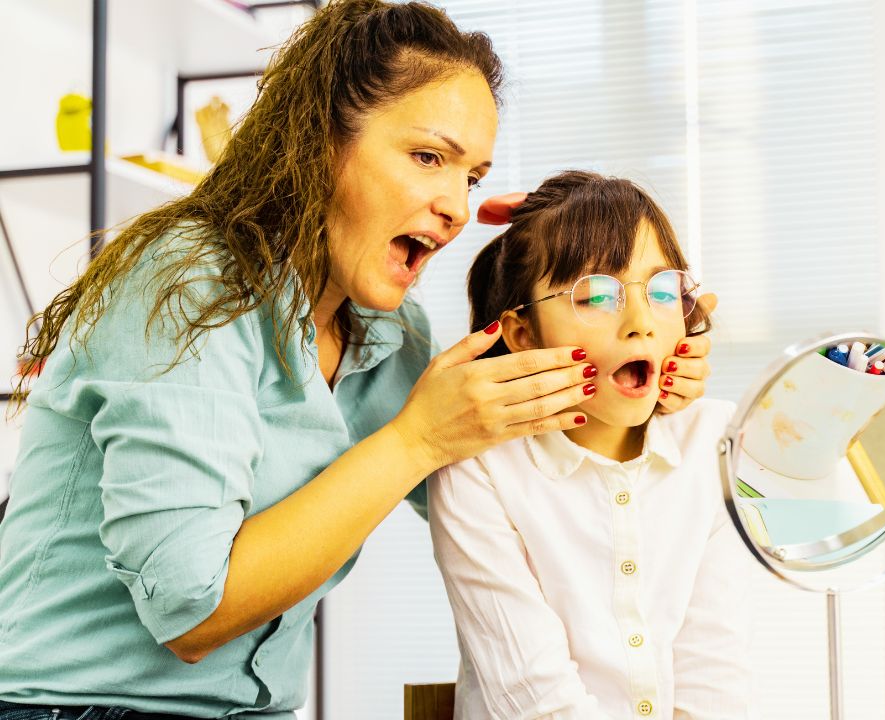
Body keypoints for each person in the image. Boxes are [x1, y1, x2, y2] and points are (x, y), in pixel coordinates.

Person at [0, 3, 713, 718]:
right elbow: (192, 610)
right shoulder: (190, 284)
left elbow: (511, 490)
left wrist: (624, 354)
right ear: (317, 143)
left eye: (471, 177)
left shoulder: (389, 333)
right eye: (429, 158)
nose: (456, 207)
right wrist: (417, 438)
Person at [429, 171, 749, 720]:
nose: (641, 323)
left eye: (662, 291)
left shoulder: (712, 441)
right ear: (523, 334)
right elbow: (536, 699)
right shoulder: (478, 465)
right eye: (597, 296)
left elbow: (713, 680)